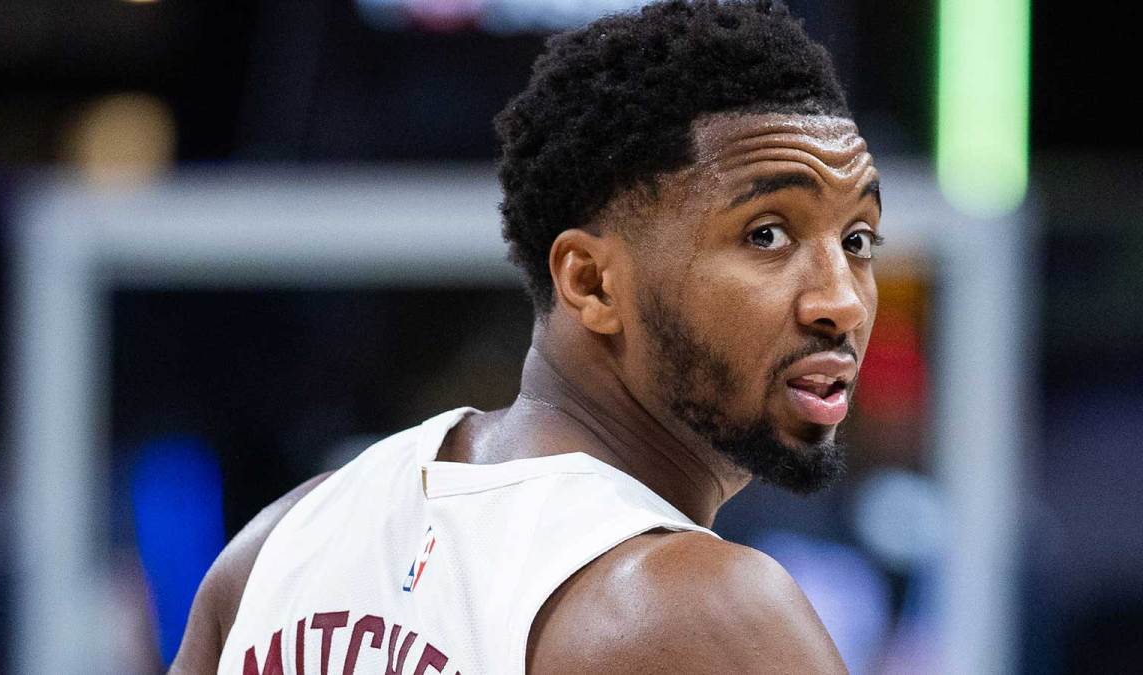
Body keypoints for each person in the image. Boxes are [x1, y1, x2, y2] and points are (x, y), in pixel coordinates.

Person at [172, 0, 881, 672]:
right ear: (592, 282)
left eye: (857, 239)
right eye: (766, 235)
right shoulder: (706, 609)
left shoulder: (277, 545)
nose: (840, 302)